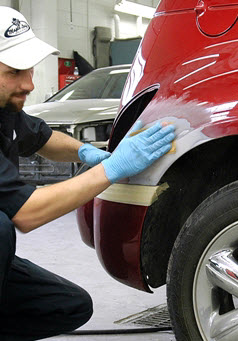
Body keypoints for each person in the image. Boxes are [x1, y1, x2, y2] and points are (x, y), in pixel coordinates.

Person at [0, 6, 175, 340]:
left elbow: (44, 137)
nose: (30, 83)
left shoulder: (5, 110)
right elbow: (26, 212)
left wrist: (87, 152)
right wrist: (112, 168)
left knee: (67, 305)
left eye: (31, 70)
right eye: (15, 71)